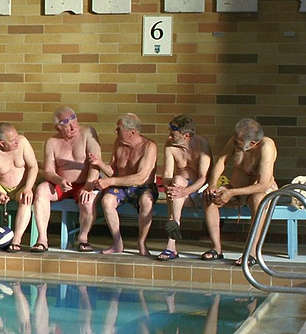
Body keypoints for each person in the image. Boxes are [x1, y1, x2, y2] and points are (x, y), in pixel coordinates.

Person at [202, 118, 278, 265]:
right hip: (235, 188)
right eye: (235, 140)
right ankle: (216, 249)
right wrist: (212, 184)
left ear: (253, 144)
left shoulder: (266, 147)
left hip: (260, 190)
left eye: (239, 143)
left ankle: (252, 252)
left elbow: (262, 184)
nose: (235, 145)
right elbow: (221, 161)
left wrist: (232, 193)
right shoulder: (237, 140)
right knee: (210, 197)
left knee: (258, 200)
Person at [33, 107, 102, 252]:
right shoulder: (52, 142)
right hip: (62, 184)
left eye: (74, 118)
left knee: (88, 200)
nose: (73, 125)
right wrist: (59, 180)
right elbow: (48, 171)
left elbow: (96, 164)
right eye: (66, 122)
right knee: (41, 191)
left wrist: (88, 186)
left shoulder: (88, 133)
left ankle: (83, 238)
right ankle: (42, 239)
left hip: (85, 183)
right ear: (58, 128)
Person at [88, 113, 158, 256]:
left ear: (131, 132)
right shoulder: (118, 143)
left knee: (146, 201)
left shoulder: (149, 147)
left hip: (143, 187)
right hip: (121, 186)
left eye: (119, 129)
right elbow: (113, 171)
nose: (116, 132)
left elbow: (141, 177)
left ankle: (142, 242)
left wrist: (110, 181)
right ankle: (117, 242)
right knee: (107, 200)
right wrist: (99, 163)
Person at [157, 114, 212, 261]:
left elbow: (203, 178)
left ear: (186, 135)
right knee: (177, 180)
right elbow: (167, 174)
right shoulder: (170, 146)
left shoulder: (202, 145)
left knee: (177, 189)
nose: (169, 138)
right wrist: (171, 188)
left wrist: (185, 190)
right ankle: (172, 238)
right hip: (180, 192)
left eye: (173, 135)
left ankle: (171, 245)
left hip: (198, 191)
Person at [0, 122, 38, 252]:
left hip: (22, 186)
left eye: (16, 137)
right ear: (2, 143)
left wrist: (28, 188)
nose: (17, 142)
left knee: (25, 198)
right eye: (12, 141)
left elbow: (33, 166)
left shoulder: (23, 143)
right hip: (2, 188)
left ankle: (17, 240)